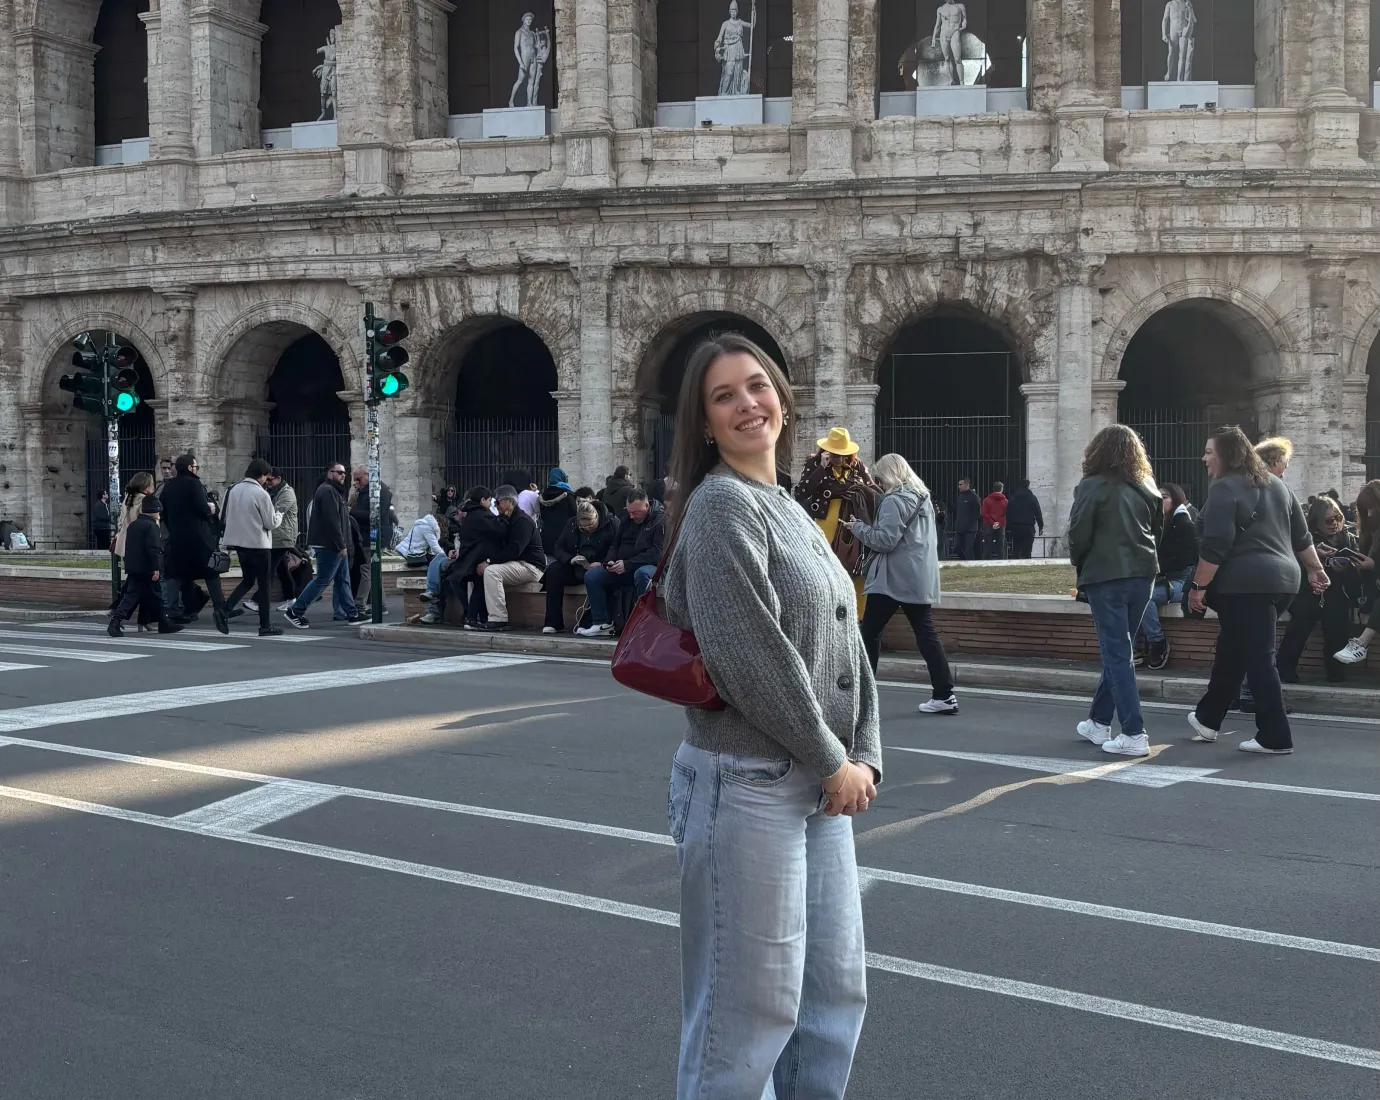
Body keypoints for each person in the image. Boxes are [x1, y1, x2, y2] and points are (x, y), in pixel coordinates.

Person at [659, 332, 880, 1100]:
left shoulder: (786, 504)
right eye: (724, 396)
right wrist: (833, 760)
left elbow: (846, 639)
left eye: (757, 386)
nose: (747, 404)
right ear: (705, 422)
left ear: (783, 398)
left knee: (830, 1002)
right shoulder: (720, 507)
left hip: (819, 782)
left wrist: (864, 755)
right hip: (747, 783)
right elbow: (753, 658)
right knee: (746, 1019)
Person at [1184, 426, 1329, 754]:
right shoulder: (1278, 485)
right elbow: (1302, 537)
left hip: (1246, 584)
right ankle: (1208, 719)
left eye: (1209, 452)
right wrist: (1315, 569)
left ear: (1226, 455)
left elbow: (1216, 545)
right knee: (1233, 648)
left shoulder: (1224, 488)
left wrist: (1197, 587)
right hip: (1284, 583)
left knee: (1260, 658)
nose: (1203, 458)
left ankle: (1275, 735)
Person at [1067, 425, 1163, 757]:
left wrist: (1080, 563)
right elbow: (1157, 531)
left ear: (1097, 451)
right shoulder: (1147, 485)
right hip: (1143, 574)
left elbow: (1078, 532)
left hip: (1106, 575)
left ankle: (1134, 733)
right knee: (1119, 651)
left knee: (1117, 654)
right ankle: (1097, 722)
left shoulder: (1092, 486)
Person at [849, 453, 957, 714]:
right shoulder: (923, 499)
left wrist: (857, 528)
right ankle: (945, 694)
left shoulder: (894, 501)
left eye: (880, 477)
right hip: (918, 576)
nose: (880, 483)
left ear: (888, 475)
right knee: (926, 634)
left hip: (891, 578)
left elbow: (884, 541)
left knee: (870, 633)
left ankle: (863, 695)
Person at [1276, 497, 1371, 683]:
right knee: (1297, 631)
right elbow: (1291, 562)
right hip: (1308, 592)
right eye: (1329, 520)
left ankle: (1336, 672)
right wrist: (1313, 559)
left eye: (1338, 518)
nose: (1334, 523)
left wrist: (1346, 568)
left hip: (1337, 593)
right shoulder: (1305, 539)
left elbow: (1356, 575)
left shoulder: (1348, 538)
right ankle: (1284, 669)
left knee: (1337, 630)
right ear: (1317, 521)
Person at [794, 429, 878, 614]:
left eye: (842, 455)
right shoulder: (815, 464)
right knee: (827, 566)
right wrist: (821, 469)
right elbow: (800, 493)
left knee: (856, 563)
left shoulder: (857, 465)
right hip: (826, 522)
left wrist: (860, 489)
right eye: (834, 455)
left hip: (853, 520)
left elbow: (873, 488)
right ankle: (828, 610)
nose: (838, 459)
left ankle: (858, 615)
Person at [575, 488, 667, 637]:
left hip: (647, 565)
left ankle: (643, 622)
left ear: (647, 506)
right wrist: (610, 561)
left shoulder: (660, 520)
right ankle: (601, 622)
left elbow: (657, 552)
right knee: (592, 576)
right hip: (623, 565)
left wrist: (628, 564)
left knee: (642, 574)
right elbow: (615, 544)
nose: (632, 516)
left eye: (636, 512)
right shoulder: (626, 517)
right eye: (629, 511)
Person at [161, 453, 232, 633]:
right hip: (199, 538)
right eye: (195, 466)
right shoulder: (195, 484)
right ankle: (219, 609)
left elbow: (164, 513)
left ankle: (171, 610)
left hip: (176, 537)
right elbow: (202, 509)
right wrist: (211, 508)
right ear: (189, 468)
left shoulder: (168, 487)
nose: (196, 469)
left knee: (175, 575)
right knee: (211, 573)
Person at [284, 462, 359, 628]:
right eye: (339, 472)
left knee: (343, 580)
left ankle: (352, 613)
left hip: (335, 545)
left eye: (344, 473)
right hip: (329, 546)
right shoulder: (327, 491)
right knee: (323, 580)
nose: (343, 475)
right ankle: (295, 611)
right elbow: (332, 522)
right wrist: (341, 545)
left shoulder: (335, 492)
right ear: (330, 473)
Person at [1135, 481, 1200, 670]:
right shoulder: (1155, 525)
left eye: (1164, 498)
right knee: (1130, 595)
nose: (1159, 502)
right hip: (1160, 579)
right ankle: (1134, 649)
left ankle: (1158, 642)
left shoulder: (1185, 524)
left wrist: (1154, 566)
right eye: (1157, 498)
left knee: (1144, 598)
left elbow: (1183, 560)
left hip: (1181, 582)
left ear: (1176, 499)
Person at [422, 487, 508, 627]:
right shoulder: (481, 516)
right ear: (482, 500)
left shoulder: (471, 516)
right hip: (475, 560)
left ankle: (473, 617)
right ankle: (472, 617)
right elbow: (500, 529)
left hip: (468, 560)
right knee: (479, 587)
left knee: (478, 587)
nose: (491, 503)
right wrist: (504, 516)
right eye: (489, 500)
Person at [469, 485, 546, 632]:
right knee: (477, 571)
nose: (496, 505)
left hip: (531, 566)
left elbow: (514, 550)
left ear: (510, 502)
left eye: (498, 502)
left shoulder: (523, 521)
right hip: (517, 564)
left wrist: (489, 561)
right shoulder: (506, 520)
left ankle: (498, 618)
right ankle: (474, 616)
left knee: (491, 572)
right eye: (495, 502)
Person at [222, 459, 285, 637]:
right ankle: (265, 626)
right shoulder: (261, 494)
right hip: (258, 544)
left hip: (240, 544)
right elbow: (270, 523)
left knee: (248, 580)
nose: (267, 481)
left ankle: (225, 609)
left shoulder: (234, 490)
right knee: (264, 586)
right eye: (266, 477)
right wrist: (279, 515)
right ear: (262, 475)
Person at [107, 496, 183, 637]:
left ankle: (117, 621)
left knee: (134, 595)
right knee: (156, 595)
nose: (159, 515)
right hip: (147, 568)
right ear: (154, 511)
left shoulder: (134, 525)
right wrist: (156, 568)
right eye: (158, 512)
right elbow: (153, 549)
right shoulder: (151, 526)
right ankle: (162, 623)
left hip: (135, 568)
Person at [542, 500, 617, 633]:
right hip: (576, 566)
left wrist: (602, 563)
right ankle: (553, 622)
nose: (587, 528)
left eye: (591, 525)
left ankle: (588, 621)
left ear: (597, 517)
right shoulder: (571, 524)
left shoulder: (612, 524)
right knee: (553, 571)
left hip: (600, 566)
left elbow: (616, 548)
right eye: (583, 527)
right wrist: (570, 559)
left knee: (593, 577)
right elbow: (558, 547)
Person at [1333, 479, 1380, 666]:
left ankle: (1362, 643)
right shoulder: (1369, 531)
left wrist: (1374, 566)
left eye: (1373, 509)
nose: (1369, 514)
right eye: (1365, 510)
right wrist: (1347, 565)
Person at [112, 472, 155, 629]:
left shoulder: (128, 499)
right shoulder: (144, 501)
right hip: (140, 547)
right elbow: (148, 524)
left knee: (140, 585)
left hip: (127, 545)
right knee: (137, 586)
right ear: (146, 486)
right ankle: (118, 614)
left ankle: (142, 620)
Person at [349, 466, 393, 616]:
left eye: (358, 479)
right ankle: (381, 604)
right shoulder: (372, 489)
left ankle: (360, 603)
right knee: (373, 570)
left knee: (367, 570)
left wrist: (352, 512)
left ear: (368, 475)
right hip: (371, 534)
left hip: (373, 535)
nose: (356, 482)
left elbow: (375, 514)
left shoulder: (377, 490)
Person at [261, 469, 300, 611]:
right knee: (282, 569)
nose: (268, 482)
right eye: (267, 480)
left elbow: (276, 511)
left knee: (269, 568)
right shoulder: (272, 491)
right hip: (276, 536)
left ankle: (258, 600)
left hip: (283, 536)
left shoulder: (287, 493)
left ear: (278, 478)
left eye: (270, 480)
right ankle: (292, 598)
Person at [538, 468, 576, 560]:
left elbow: (542, 515)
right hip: (563, 534)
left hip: (547, 535)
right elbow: (575, 514)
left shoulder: (543, 496)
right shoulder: (568, 495)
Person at [1005, 478, 1044, 559]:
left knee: (1016, 548)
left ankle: (1015, 563)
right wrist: (1041, 526)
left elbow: (1008, 512)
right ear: (1028, 486)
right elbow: (1037, 512)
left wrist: (1008, 525)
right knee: (1027, 550)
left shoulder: (1013, 497)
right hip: (1028, 526)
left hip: (1015, 526)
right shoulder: (1032, 497)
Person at [952, 477, 981, 560]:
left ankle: (970, 564)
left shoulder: (973, 497)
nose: (959, 486)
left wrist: (970, 523)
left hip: (970, 529)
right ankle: (965, 562)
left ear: (966, 485)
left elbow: (977, 513)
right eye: (958, 485)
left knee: (968, 549)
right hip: (960, 527)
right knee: (957, 548)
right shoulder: (960, 497)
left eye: (961, 484)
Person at [980, 480, 1008, 559]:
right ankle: (1002, 561)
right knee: (1001, 545)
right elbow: (1006, 514)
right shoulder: (1005, 501)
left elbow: (984, 513)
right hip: (1001, 525)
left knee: (988, 545)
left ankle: (986, 561)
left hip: (988, 524)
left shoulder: (986, 500)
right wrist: (999, 523)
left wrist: (993, 523)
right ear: (1001, 489)